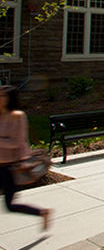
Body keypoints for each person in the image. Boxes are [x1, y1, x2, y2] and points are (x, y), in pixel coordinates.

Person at [0, 85, 52, 230]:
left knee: (10, 205)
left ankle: (42, 212)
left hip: (9, 167)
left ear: (9, 99)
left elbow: (17, 142)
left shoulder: (18, 116)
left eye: (2, 95)